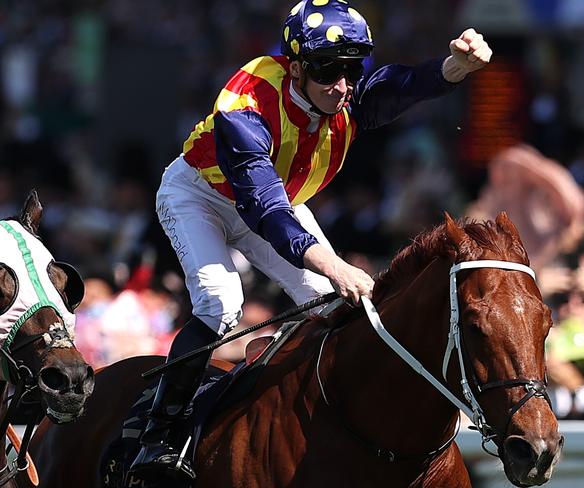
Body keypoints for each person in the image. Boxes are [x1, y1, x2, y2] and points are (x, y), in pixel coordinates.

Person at [129, 0, 492, 481]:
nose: (342, 85)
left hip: (273, 195)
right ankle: (160, 436)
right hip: (203, 194)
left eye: (350, 69)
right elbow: (266, 211)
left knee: (331, 308)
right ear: (296, 68)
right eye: (328, 72)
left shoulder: (341, 88)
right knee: (220, 304)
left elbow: (393, 89)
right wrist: (336, 265)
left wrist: (453, 69)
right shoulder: (245, 106)